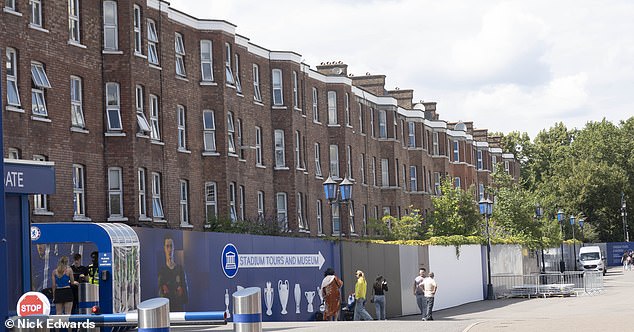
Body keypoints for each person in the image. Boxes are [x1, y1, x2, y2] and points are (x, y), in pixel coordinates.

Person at [158, 235, 189, 311]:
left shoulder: (180, 269)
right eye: (167, 246)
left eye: (171, 246)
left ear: (174, 248)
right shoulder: (161, 271)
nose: (169, 249)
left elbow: (184, 293)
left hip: (179, 310)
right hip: (166, 310)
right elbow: (161, 293)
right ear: (164, 248)